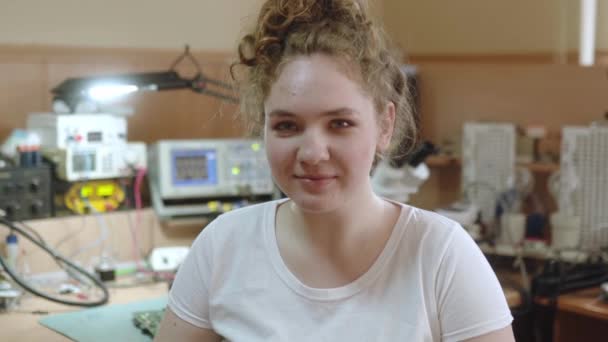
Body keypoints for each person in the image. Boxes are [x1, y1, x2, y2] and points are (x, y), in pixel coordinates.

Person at [155, 0, 514, 341]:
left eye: (340, 123)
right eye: (286, 126)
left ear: (384, 126)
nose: (312, 153)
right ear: (262, 126)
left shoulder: (442, 256)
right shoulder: (222, 247)